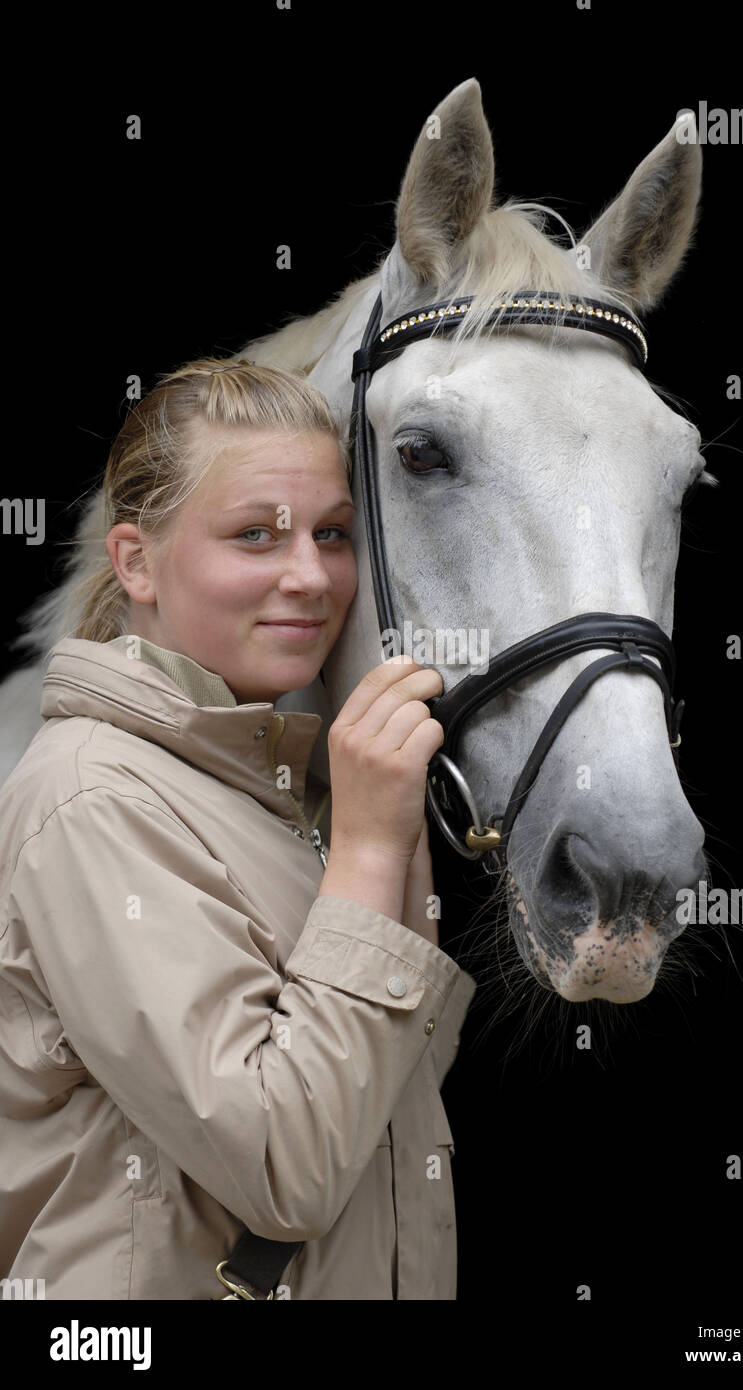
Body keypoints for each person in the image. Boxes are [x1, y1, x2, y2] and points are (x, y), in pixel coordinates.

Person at [0, 357, 477, 1300]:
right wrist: (374, 851)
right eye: (255, 535)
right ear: (135, 561)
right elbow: (286, 1164)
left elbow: (387, 1100)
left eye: (333, 533)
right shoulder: (95, 798)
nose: (310, 575)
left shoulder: (286, 781)